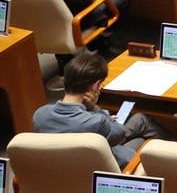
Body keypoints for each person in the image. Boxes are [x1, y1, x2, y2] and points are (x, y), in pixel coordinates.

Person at [33, 52, 167, 167]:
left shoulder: (40, 115)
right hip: (111, 165)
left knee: (140, 119)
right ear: (96, 86)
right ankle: (170, 159)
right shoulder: (96, 122)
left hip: (68, 167)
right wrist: (96, 109)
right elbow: (119, 132)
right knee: (143, 141)